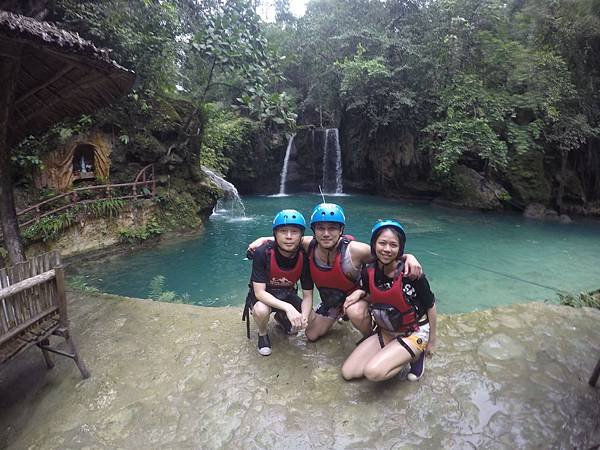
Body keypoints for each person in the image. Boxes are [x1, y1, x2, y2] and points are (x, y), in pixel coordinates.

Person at [248, 203, 423, 343]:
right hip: (332, 302)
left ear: (341, 231)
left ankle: (372, 337)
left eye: (332, 228)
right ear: (313, 231)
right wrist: (264, 239)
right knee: (311, 335)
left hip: (355, 299)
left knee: (355, 311)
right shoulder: (309, 245)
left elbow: (385, 253)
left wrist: (409, 256)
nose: (326, 234)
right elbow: (287, 239)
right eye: (320, 228)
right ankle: (336, 316)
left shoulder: (355, 250)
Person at [341, 219, 437, 382]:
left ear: (400, 249)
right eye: (382, 243)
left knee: (372, 372)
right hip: (387, 331)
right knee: (348, 373)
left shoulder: (412, 273)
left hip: (412, 332)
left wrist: (432, 342)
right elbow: (375, 293)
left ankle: (414, 356)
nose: (387, 249)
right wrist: (360, 292)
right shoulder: (369, 271)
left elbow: (431, 306)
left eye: (393, 245)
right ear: (374, 244)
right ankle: (391, 353)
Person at [242, 209, 314, 356]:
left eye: (294, 231)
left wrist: (304, 317)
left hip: (287, 293)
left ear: (301, 236)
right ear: (275, 234)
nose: (288, 237)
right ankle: (263, 334)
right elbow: (259, 292)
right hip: (265, 296)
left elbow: (308, 295)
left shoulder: (304, 255)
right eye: (283, 231)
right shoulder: (263, 252)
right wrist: (288, 308)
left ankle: (281, 317)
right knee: (261, 310)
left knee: (312, 317)